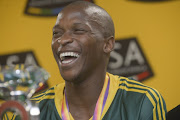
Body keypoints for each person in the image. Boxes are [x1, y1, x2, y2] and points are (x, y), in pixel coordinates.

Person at [32, 1, 167, 120]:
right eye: (57, 33)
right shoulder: (33, 110)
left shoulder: (141, 100)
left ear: (108, 44)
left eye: (78, 30)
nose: (62, 40)